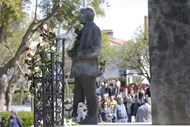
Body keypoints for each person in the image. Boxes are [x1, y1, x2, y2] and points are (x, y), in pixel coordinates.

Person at [67, 7, 101, 125]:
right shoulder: (82, 30)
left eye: (81, 15)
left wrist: (79, 54)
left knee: (90, 93)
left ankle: (92, 117)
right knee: (78, 95)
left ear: (88, 16)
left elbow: (96, 51)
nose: (79, 17)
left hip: (87, 69)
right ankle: (76, 116)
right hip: (79, 69)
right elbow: (79, 47)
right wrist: (72, 51)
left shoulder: (94, 29)